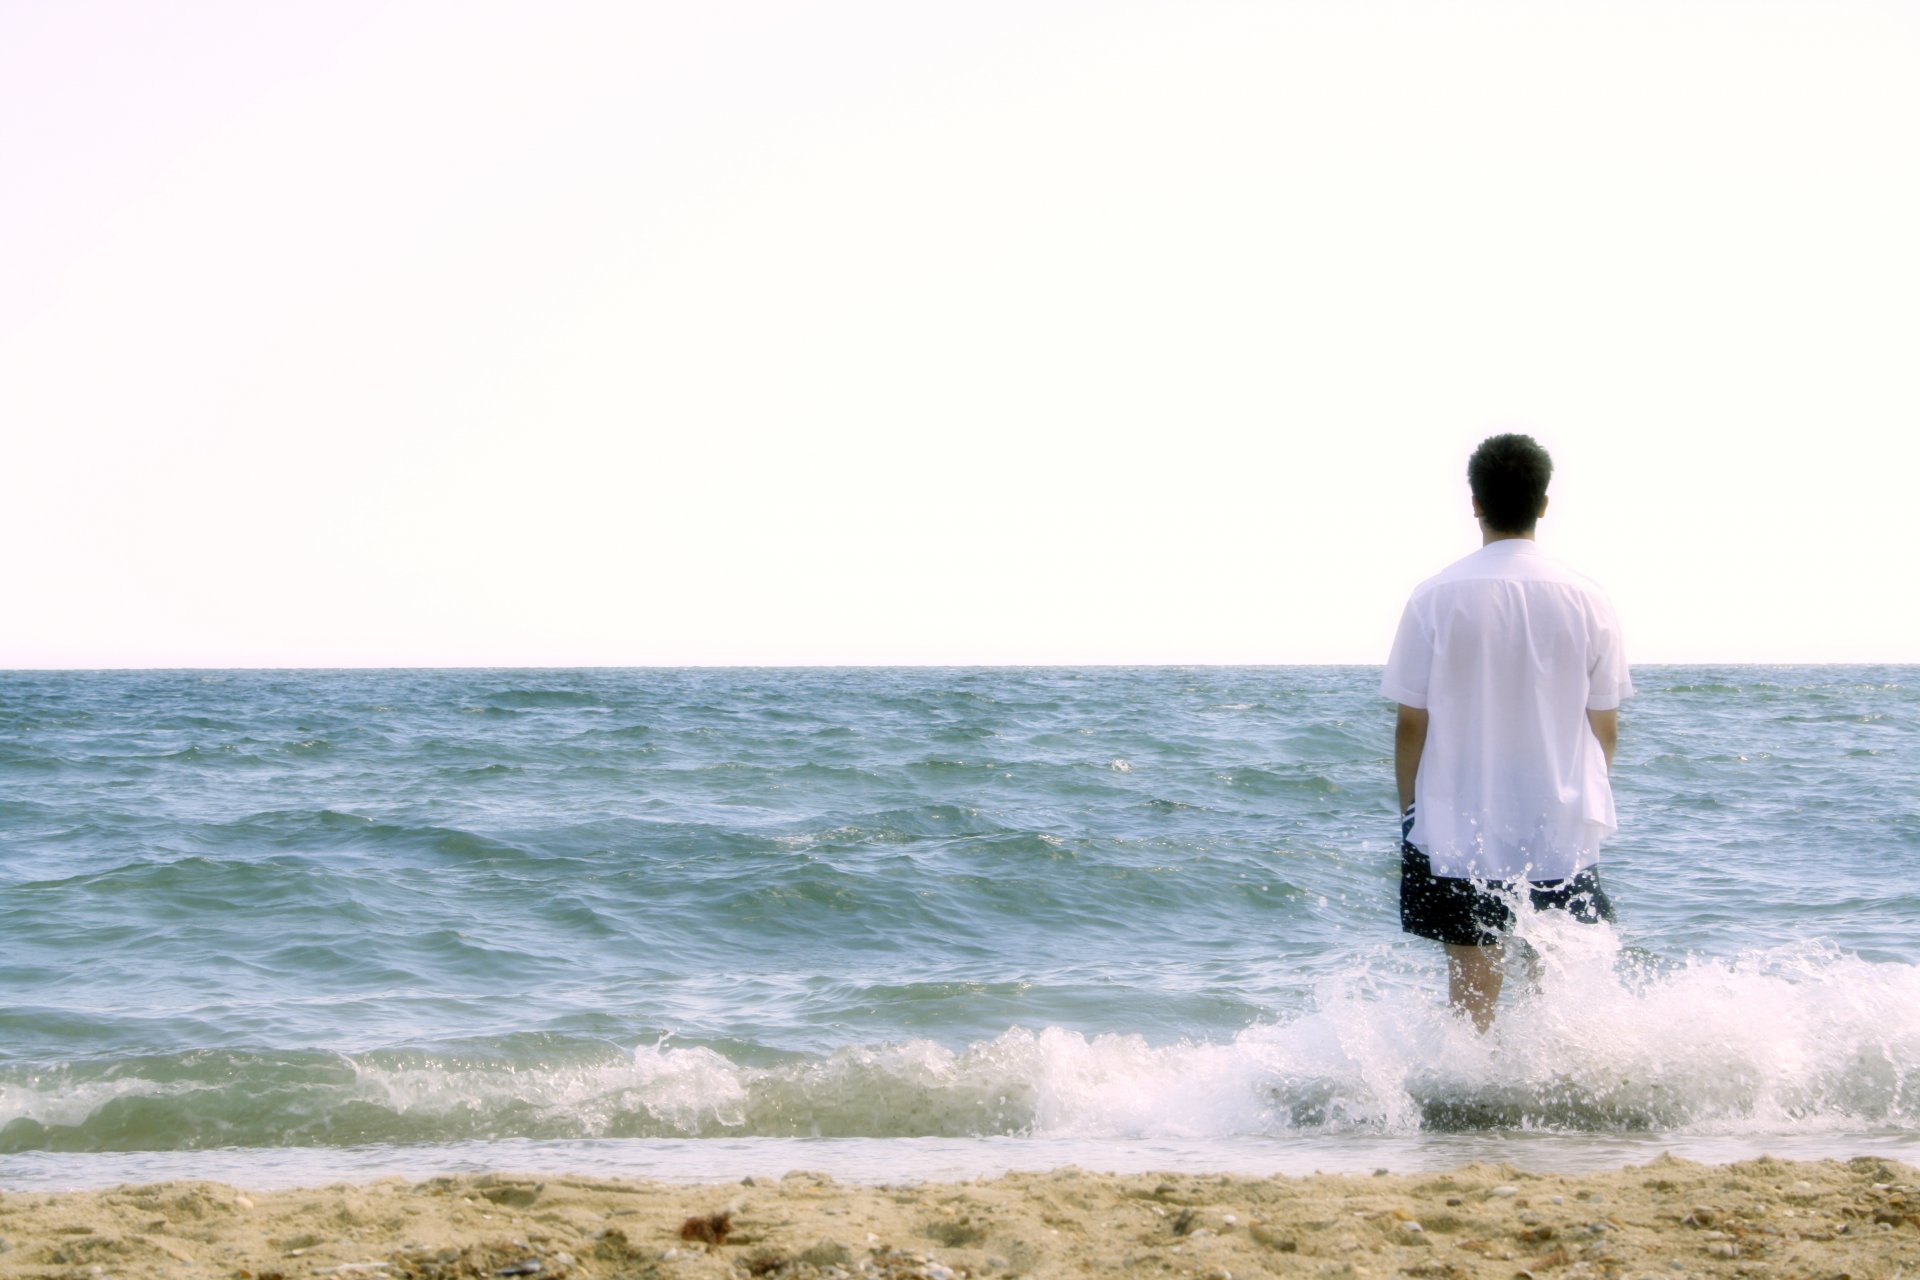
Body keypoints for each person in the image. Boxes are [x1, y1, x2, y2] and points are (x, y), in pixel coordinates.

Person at [1382, 434, 1632, 1032]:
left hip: (1457, 822)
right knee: (1556, 993)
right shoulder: (1589, 599)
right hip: (1561, 823)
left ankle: (1472, 1116)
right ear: (1544, 503)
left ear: (1475, 502)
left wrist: (1411, 813)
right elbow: (1606, 727)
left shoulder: (1434, 597)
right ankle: (1555, 1114)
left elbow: (1411, 723)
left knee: (1471, 1003)